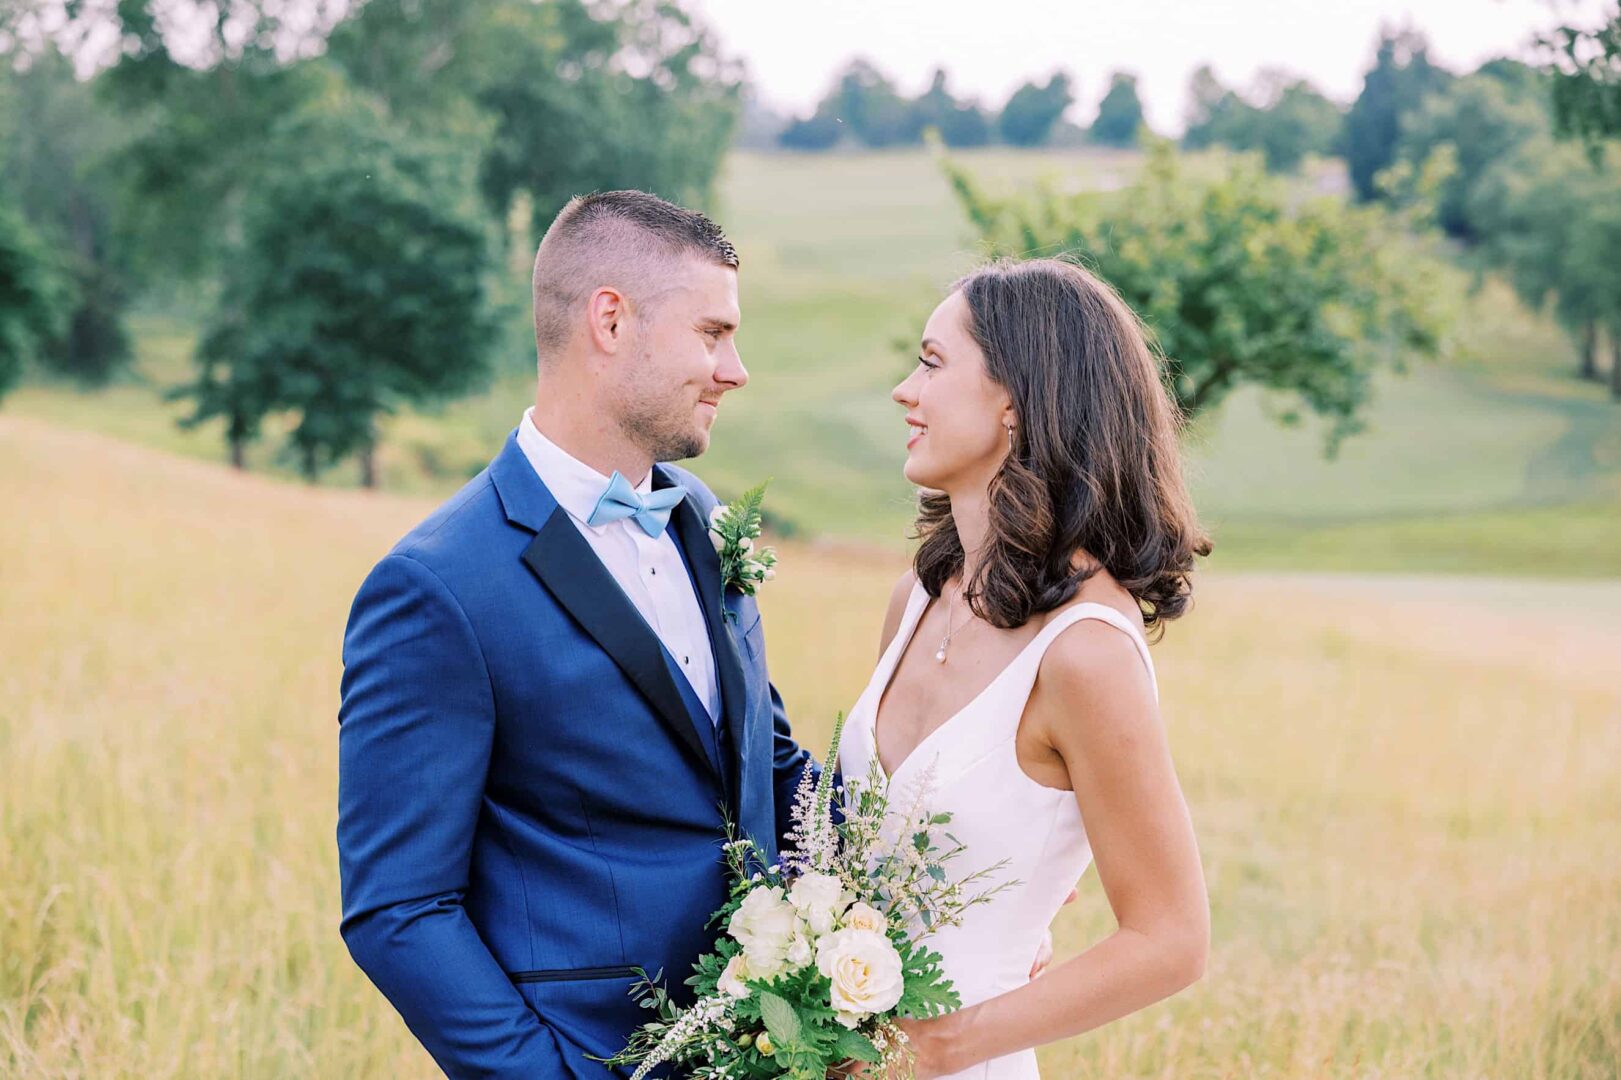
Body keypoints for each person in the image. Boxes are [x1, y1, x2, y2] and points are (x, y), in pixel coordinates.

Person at [336, 190, 813, 1079]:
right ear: (610, 320)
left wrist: (917, 902)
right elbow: (397, 910)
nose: (735, 369)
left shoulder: (704, 520)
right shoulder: (437, 585)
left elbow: (769, 766)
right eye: (713, 333)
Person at [838, 258, 1212, 1079]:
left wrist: (930, 1048)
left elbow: (1172, 940)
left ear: (1014, 398)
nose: (905, 390)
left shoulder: (1083, 652)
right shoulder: (915, 600)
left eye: (932, 363)